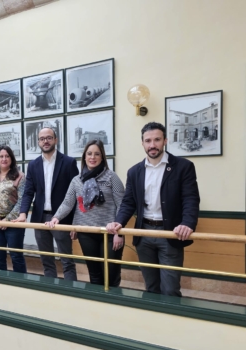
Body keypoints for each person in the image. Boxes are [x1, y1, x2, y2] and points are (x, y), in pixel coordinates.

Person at [106, 122, 200, 297]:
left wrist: (187, 223)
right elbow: (128, 202)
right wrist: (119, 222)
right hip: (144, 235)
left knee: (170, 289)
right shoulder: (134, 172)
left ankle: (171, 322)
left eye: (157, 140)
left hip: (171, 234)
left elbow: (191, 199)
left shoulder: (183, 167)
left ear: (165, 140)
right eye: (148, 141)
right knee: (151, 287)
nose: (152, 145)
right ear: (142, 143)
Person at [46, 140, 125, 287]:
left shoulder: (111, 177)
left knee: (111, 274)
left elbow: (122, 204)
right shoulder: (77, 180)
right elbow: (68, 203)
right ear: (84, 157)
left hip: (110, 232)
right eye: (89, 154)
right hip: (86, 232)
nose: (92, 157)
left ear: (102, 157)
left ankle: (113, 305)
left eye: (97, 154)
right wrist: (56, 217)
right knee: (95, 274)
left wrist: (119, 233)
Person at [14, 127, 79, 281]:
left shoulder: (69, 162)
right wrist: (23, 213)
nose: (46, 141)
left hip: (62, 219)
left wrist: (76, 223)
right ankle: (51, 290)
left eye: (49, 137)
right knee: (46, 260)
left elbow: (77, 194)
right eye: (42, 139)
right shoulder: (33, 165)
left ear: (56, 140)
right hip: (40, 218)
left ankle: (71, 293)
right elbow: (29, 192)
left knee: (67, 261)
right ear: (38, 142)